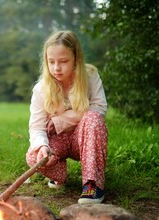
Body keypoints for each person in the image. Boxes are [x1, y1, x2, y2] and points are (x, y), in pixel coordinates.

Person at [26, 30, 108, 204]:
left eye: (63, 61)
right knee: (33, 157)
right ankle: (59, 174)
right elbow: (37, 127)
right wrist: (42, 146)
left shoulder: (90, 76)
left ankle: (92, 185)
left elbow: (99, 107)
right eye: (51, 62)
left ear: (76, 59)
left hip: (83, 139)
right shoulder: (41, 89)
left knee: (93, 118)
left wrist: (60, 120)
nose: (56, 68)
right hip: (58, 141)